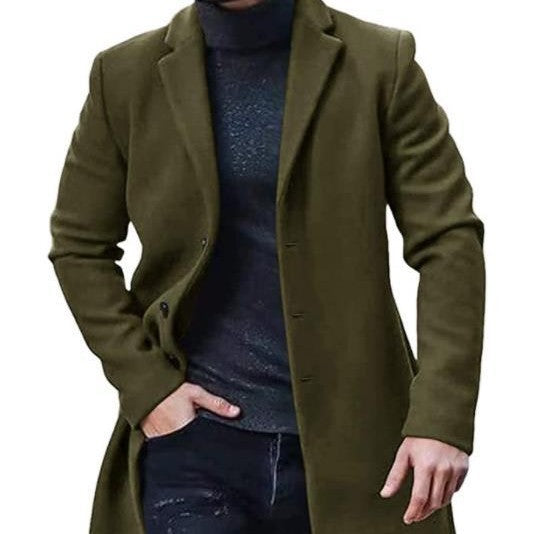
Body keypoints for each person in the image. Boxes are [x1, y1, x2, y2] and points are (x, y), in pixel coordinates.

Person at [47, 0, 485, 533]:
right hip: (193, 449)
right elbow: (79, 245)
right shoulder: (123, 74)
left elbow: (448, 240)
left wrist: (441, 416)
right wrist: (148, 387)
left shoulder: (380, 62)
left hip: (357, 442)